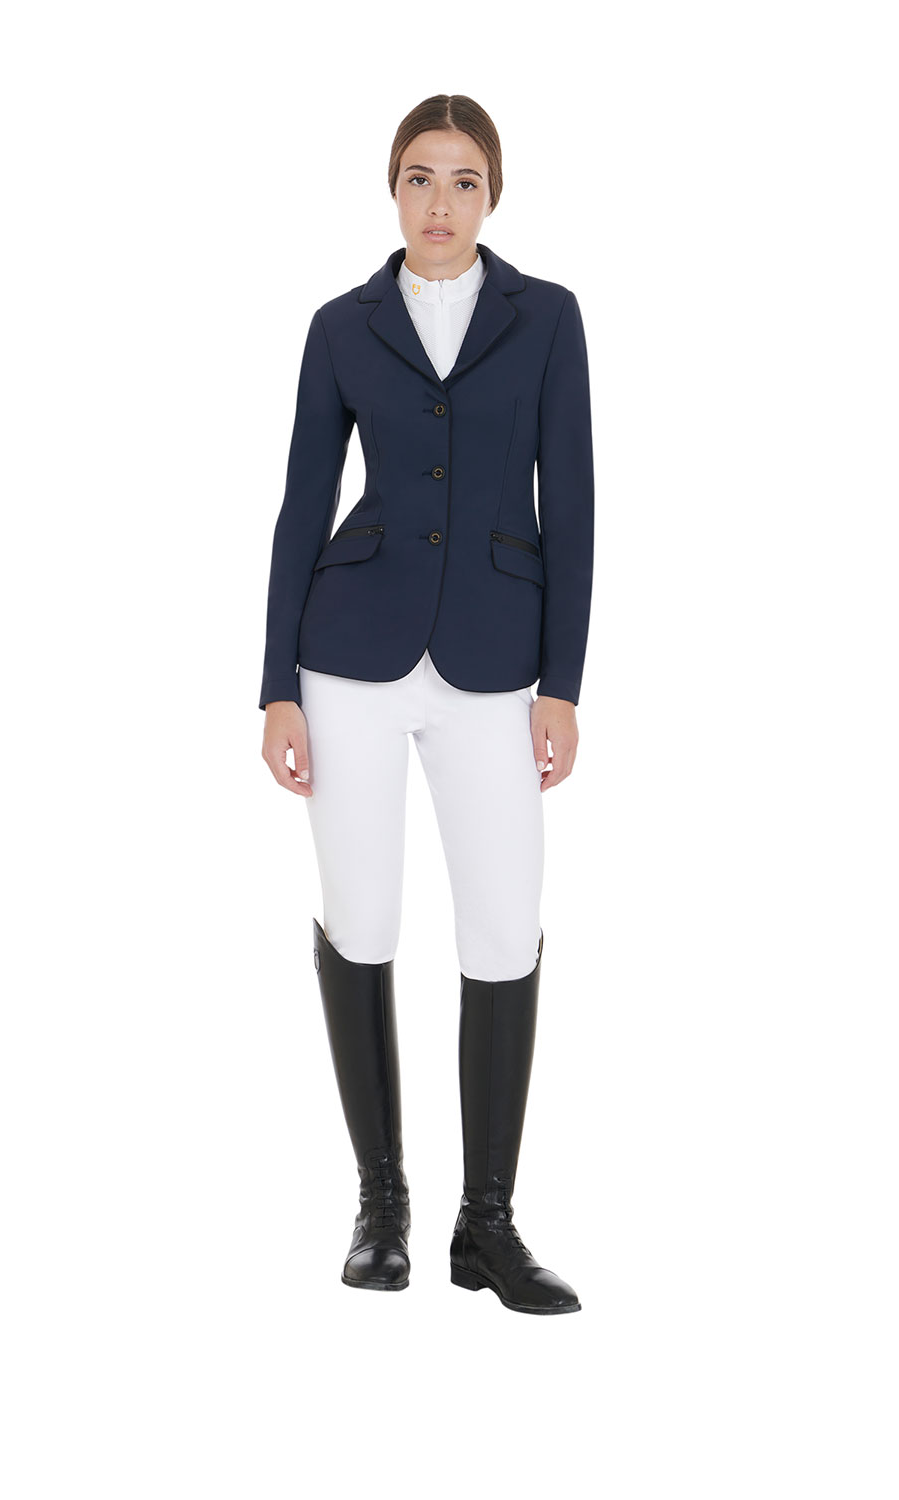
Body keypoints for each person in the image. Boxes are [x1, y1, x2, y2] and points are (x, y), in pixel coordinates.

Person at [258, 94, 594, 1316]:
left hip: (497, 662)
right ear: (391, 189)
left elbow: (575, 501)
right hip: (348, 655)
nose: (439, 202)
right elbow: (303, 502)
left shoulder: (546, 318)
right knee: (361, 916)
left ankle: (486, 1226)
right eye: (418, 177)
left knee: (503, 927)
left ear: (492, 194)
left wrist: (564, 681)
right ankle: (382, 1206)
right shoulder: (340, 326)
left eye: (462, 181)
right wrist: (277, 686)